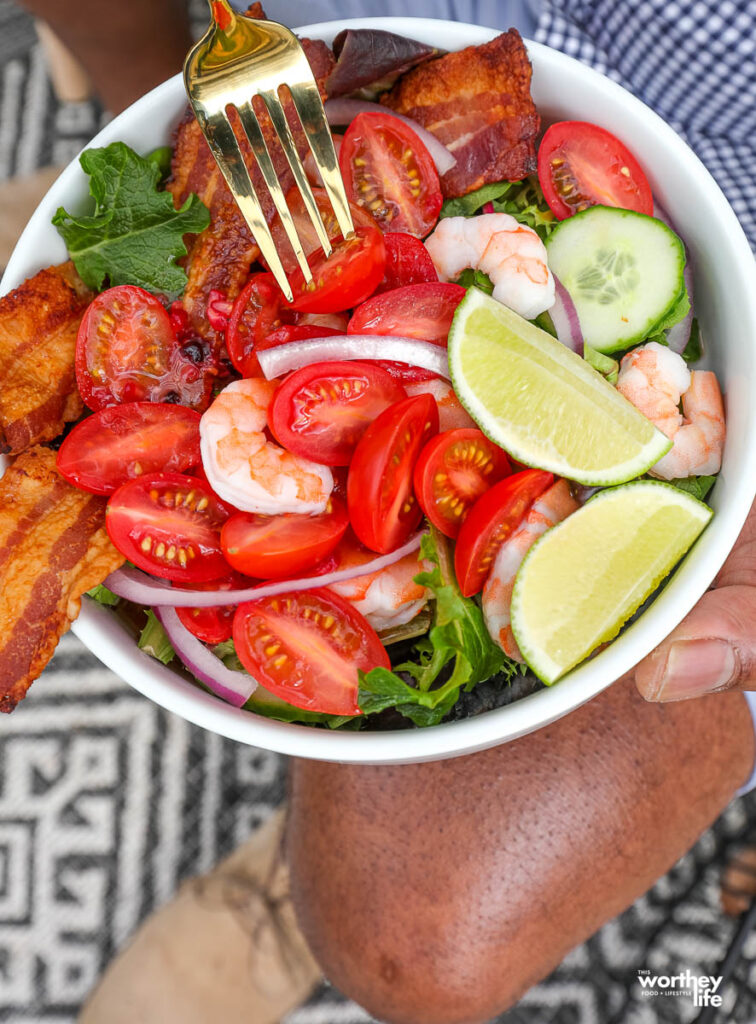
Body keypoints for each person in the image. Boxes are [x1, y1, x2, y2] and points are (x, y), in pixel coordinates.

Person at [11, 1, 754, 1020]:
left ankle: (142, 225)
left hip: (714, 165)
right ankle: (145, 166)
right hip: (364, 55)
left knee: (407, 946)